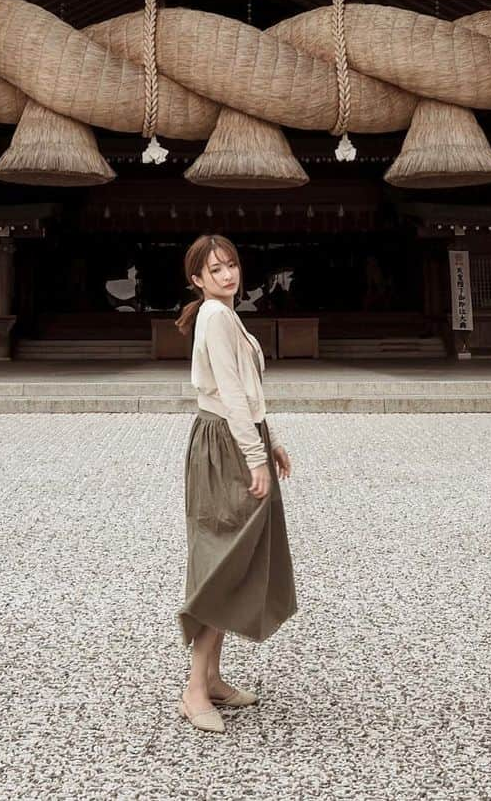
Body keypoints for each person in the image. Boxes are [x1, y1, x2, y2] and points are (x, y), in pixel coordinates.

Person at [175, 234, 296, 734]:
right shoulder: (215, 316)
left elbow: (247, 390)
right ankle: (194, 688)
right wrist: (255, 458)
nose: (227, 275)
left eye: (231, 266)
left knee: (234, 560)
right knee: (223, 561)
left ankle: (214, 678)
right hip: (224, 445)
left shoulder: (226, 314)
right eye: (215, 269)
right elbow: (227, 391)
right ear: (197, 280)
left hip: (237, 437)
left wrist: (271, 442)